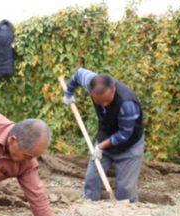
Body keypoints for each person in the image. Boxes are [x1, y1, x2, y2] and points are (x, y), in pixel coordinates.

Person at [62, 68, 144, 202]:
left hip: (129, 145)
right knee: (92, 179)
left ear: (113, 90)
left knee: (125, 191)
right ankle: (90, 204)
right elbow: (78, 74)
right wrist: (68, 93)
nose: (104, 105)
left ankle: (125, 214)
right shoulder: (92, 82)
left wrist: (100, 147)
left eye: (107, 101)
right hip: (106, 135)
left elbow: (124, 135)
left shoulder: (127, 103)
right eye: (99, 102)